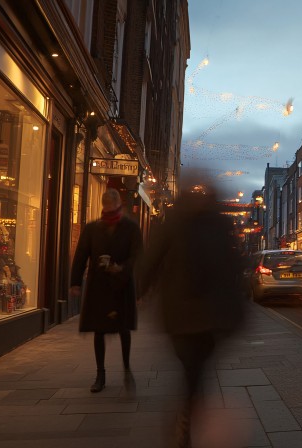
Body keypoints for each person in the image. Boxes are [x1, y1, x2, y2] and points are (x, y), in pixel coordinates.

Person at [137, 178, 247, 448]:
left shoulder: (174, 220)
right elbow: (234, 264)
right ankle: (189, 409)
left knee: (191, 365)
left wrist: (140, 291)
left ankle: (186, 413)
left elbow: (150, 261)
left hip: (181, 312)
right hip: (210, 314)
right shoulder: (220, 223)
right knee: (197, 367)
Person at [70, 189, 143, 393]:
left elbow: (138, 255)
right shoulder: (93, 229)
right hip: (99, 285)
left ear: (119, 204)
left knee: (123, 329)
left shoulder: (130, 228)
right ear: (103, 206)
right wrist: (75, 281)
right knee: (99, 330)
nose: (110, 211)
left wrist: (122, 268)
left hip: (121, 285)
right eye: (107, 207)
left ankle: (127, 369)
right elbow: (81, 254)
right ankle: (100, 374)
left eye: (113, 207)